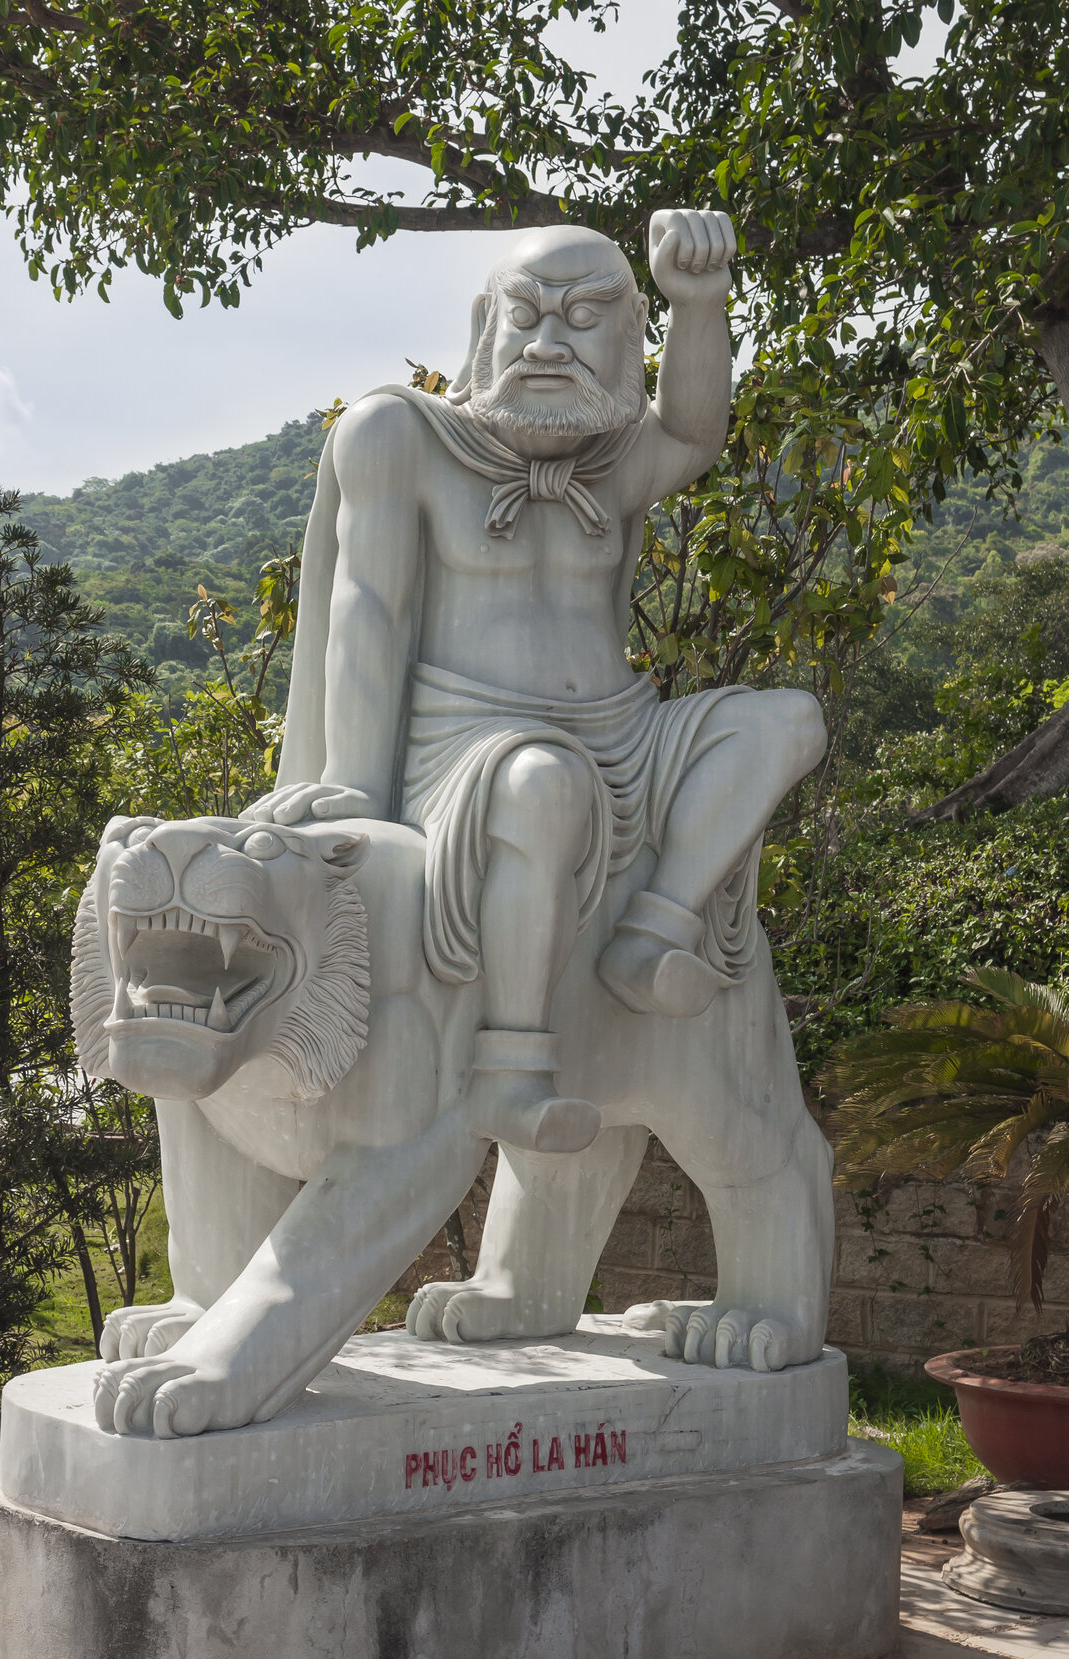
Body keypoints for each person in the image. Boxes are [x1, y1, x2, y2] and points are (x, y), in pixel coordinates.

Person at [250, 212, 826, 1154]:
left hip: (628, 739)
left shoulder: (614, 460)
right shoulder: (403, 437)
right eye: (528, 315)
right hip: (470, 744)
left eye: (586, 317)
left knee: (785, 722)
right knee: (543, 783)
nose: (551, 342)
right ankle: (513, 1069)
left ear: (625, 340)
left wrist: (699, 300)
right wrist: (356, 782)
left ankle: (657, 925)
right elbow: (371, 611)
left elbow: (693, 426)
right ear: (486, 328)